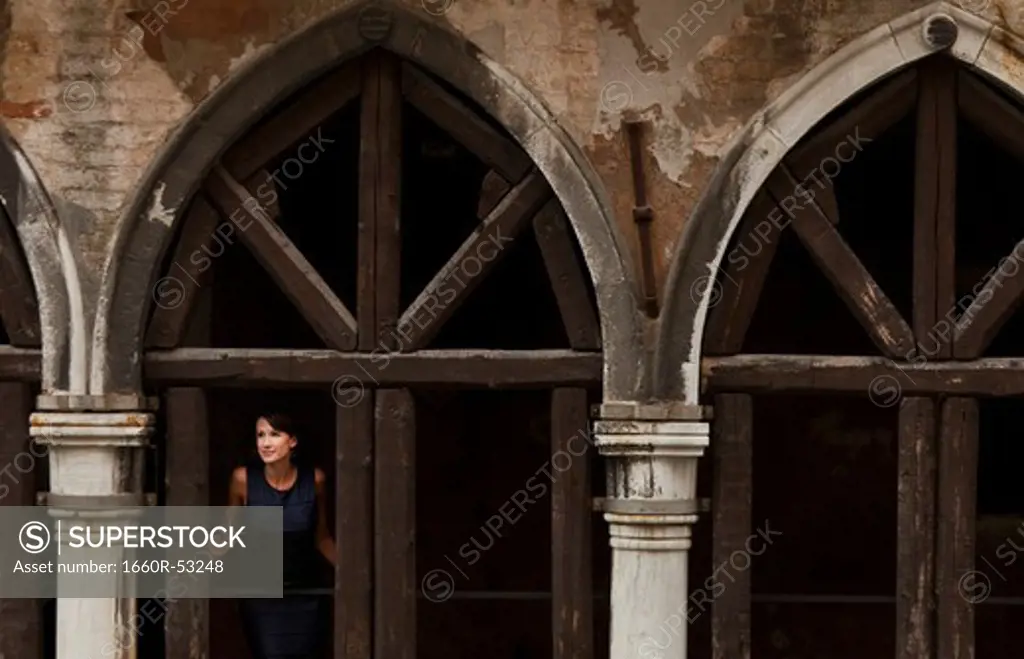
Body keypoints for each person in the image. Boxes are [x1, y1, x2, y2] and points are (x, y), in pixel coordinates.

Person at [228, 412, 336, 659]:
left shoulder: (315, 480)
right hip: (261, 598)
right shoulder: (242, 480)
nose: (265, 443)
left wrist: (355, 575)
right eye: (260, 435)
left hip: (307, 595)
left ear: (292, 441)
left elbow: (322, 538)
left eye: (274, 435)